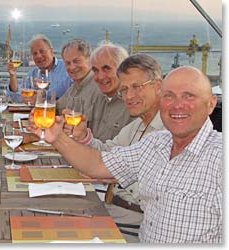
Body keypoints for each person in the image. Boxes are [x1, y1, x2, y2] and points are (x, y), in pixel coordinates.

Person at [30, 66, 222, 243]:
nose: (177, 105)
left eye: (189, 96)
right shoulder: (155, 143)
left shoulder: (220, 157)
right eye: (169, 96)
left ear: (211, 103)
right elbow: (97, 164)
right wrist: (56, 138)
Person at [68, 53, 166, 242]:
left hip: (137, 222)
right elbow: (106, 153)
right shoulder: (137, 125)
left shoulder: (168, 130)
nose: (129, 96)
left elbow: (109, 169)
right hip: (114, 208)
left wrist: (58, 139)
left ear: (158, 86)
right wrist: (83, 136)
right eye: (124, 90)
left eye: (137, 87)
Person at [85, 41, 134, 141]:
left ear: (122, 70)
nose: (100, 76)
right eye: (95, 70)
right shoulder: (97, 99)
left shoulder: (132, 105)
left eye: (106, 69)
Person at [7, 34, 72, 101]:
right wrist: (13, 76)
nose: (38, 56)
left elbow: (70, 93)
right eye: (35, 53)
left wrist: (41, 95)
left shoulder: (66, 67)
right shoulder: (33, 73)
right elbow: (16, 96)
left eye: (42, 51)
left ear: (51, 51)